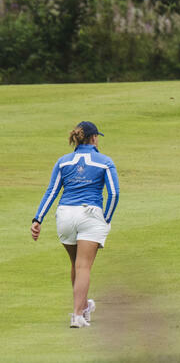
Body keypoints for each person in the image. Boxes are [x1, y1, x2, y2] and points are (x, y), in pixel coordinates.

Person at [31, 121, 120, 328]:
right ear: (94, 138)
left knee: (76, 265)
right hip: (90, 213)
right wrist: (106, 218)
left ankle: (84, 307)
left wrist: (38, 219)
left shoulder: (63, 162)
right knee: (84, 266)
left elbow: (52, 191)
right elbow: (114, 194)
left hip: (65, 215)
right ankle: (77, 315)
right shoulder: (105, 161)